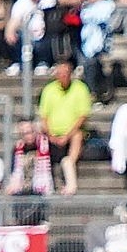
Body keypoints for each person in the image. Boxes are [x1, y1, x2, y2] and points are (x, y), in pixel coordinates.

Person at [36, 60, 92, 193]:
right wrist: (51, 135)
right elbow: (44, 116)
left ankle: (69, 169)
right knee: (37, 133)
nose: (63, 77)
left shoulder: (80, 88)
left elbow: (82, 116)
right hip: (52, 133)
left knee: (78, 135)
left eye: (65, 74)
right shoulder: (49, 90)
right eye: (60, 74)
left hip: (72, 133)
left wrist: (67, 136)